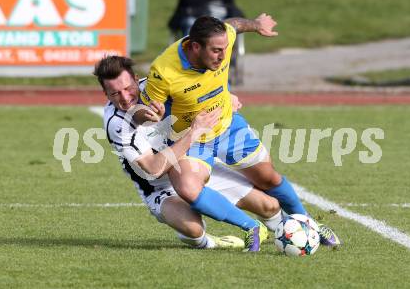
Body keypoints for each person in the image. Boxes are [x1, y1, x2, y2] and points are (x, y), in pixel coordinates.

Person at [140, 14, 342, 247]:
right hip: (192, 139)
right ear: (195, 47)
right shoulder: (163, 72)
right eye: (216, 50)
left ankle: (309, 225)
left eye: (225, 48)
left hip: (228, 127)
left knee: (268, 178)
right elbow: (146, 112)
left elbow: (234, 24)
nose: (223, 56)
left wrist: (257, 25)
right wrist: (149, 114)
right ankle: (251, 227)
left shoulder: (222, 40)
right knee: (187, 187)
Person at [93, 55, 284, 251]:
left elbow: (198, 86)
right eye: (115, 94)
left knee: (269, 206)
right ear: (106, 94)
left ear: (136, 79)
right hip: (160, 188)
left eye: (127, 88)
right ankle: (213, 241)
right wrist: (193, 133)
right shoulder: (117, 124)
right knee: (193, 229)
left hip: (192, 166)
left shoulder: (156, 86)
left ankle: (292, 230)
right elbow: (153, 168)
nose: (125, 98)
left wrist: (225, 97)